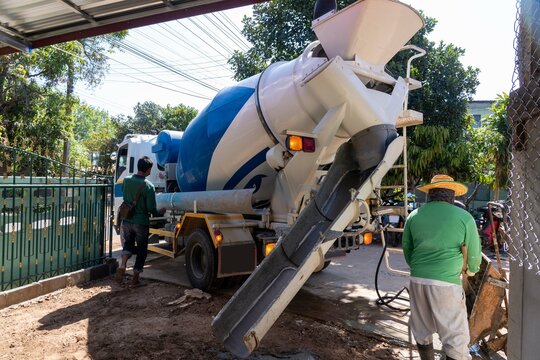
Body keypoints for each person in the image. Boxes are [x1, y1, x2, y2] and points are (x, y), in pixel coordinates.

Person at [402, 174, 481, 360]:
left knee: (421, 327)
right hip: (446, 283)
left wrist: (419, 267)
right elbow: (474, 256)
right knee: (454, 335)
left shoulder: (413, 216)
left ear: (430, 194)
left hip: (417, 279)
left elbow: (407, 250)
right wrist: (470, 271)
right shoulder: (464, 218)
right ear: (452, 196)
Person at [116, 156, 165, 285]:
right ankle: (135, 279)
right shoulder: (148, 186)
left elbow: (125, 194)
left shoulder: (126, 180)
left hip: (126, 219)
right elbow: (151, 208)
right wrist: (159, 212)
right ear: (148, 170)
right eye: (150, 169)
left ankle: (123, 264)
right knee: (142, 249)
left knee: (128, 243)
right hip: (141, 222)